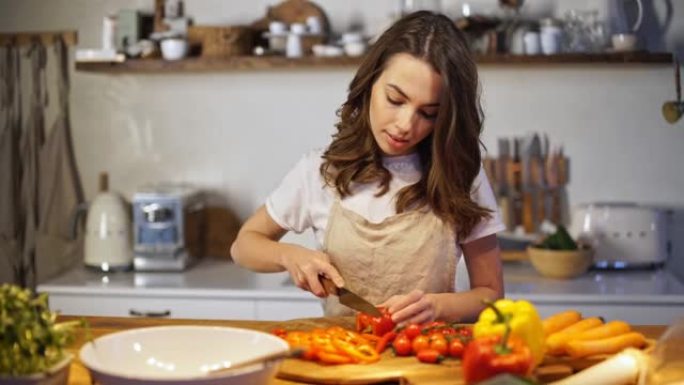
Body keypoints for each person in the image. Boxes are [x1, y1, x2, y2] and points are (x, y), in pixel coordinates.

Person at [231, 11, 505, 325]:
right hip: (342, 358)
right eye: (395, 99)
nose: (406, 125)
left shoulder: (462, 176)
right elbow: (244, 245)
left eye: (428, 113)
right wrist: (290, 256)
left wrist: (438, 307)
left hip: (425, 362)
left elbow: (491, 293)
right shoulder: (320, 171)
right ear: (370, 82)